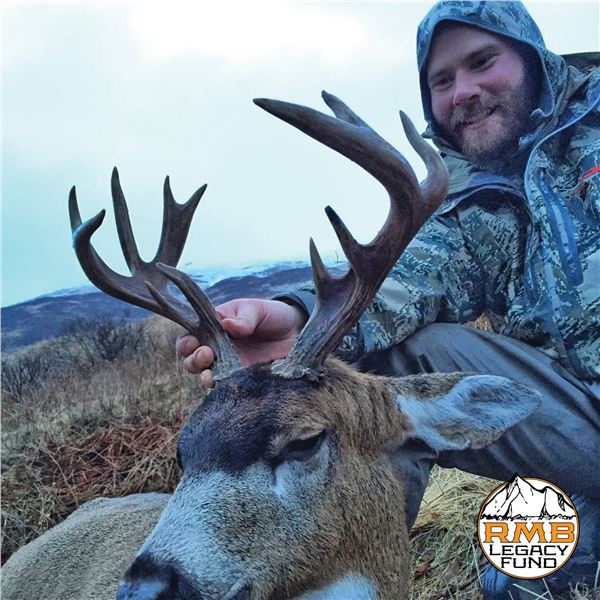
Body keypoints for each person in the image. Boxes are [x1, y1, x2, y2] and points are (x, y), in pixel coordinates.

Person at [177, 1, 600, 597]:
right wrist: (297, 318)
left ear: (533, 57)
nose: (464, 91)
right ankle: (353, 581)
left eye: (483, 62)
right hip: (577, 416)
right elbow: (413, 281)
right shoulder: (471, 197)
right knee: (375, 386)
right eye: (442, 81)